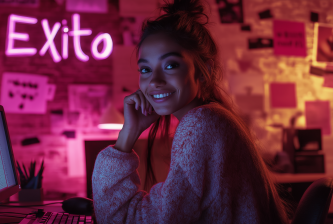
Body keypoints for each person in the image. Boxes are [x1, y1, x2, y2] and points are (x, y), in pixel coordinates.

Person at [92, 0, 289, 223]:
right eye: (145, 69)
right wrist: (131, 129)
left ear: (204, 71)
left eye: (170, 65)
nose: (155, 80)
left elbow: (131, 219)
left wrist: (124, 140)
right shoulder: (213, 116)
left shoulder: (200, 122)